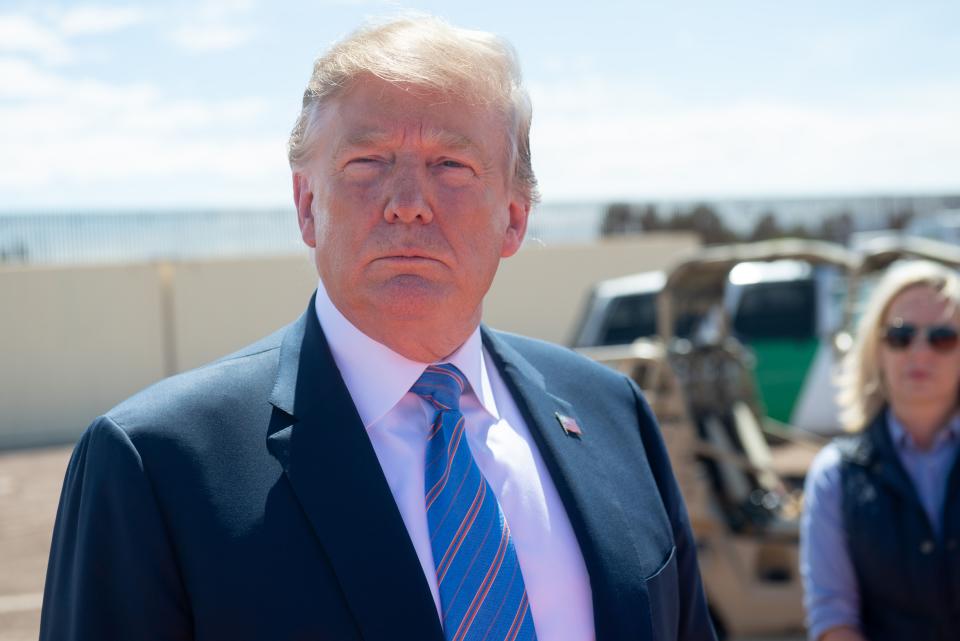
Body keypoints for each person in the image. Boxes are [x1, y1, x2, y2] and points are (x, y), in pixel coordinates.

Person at [40, 15, 716, 641]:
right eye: (368, 163)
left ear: (513, 216)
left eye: (451, 166)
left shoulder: (612, 413)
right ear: (307, 205)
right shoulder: (156, 467)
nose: (408, 204)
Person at [801, 260, 960, 641]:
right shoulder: (836, 475)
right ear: (876, 349)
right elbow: (832, 616)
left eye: (942, 337)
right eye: (900, 336)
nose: (919, 354)